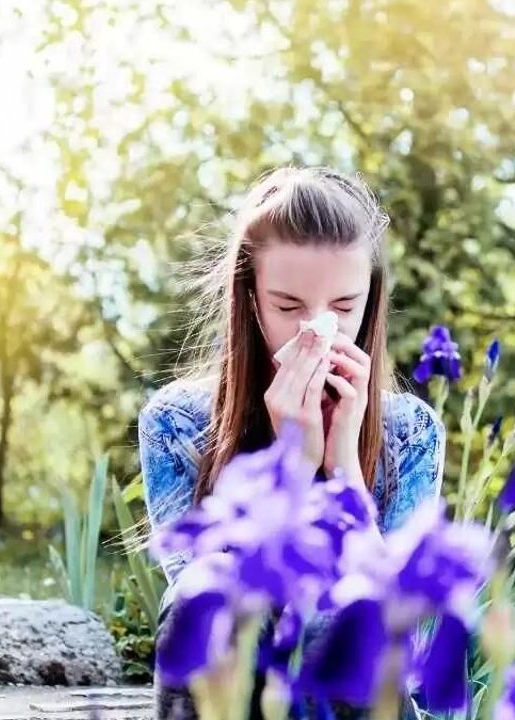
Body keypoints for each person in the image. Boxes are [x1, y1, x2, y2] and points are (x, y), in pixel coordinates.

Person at [137, 166, 445, 718]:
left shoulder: (410, 432)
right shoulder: (178, 424)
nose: (318, 331)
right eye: (288, 306)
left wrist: (344, 467)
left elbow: (402, 624)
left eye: (344, 308)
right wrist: (291, 469)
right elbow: (205, 611)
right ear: (251, 299)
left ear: (370, 300)